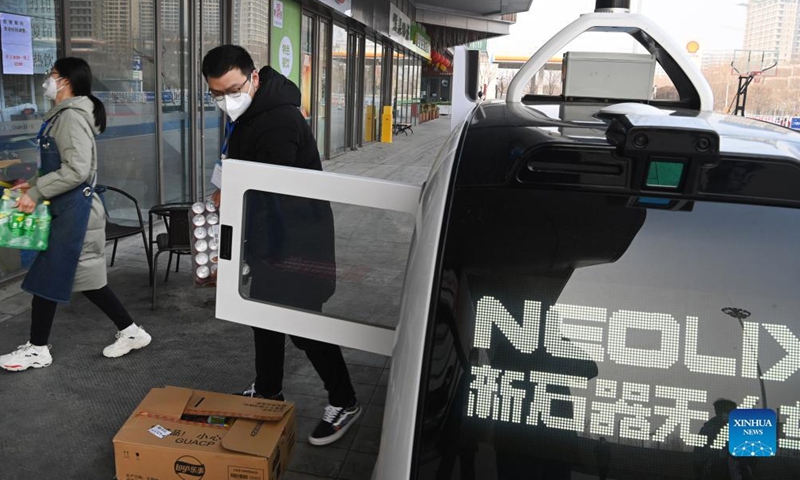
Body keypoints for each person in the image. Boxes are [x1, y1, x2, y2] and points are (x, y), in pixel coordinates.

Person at [201, 45, 360, 446]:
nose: (225, 100)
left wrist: (235, 224)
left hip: (296, 242)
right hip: (268, 238)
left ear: (254, 78)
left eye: (232, 89)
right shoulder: (249, 114)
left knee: (304, 325)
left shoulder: (278, 122)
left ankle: (345, 400)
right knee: (264, 319)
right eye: (216, 94)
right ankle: (268, 391)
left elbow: (275, 191)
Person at [0, 58, 151, 372]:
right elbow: (58, 168)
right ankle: (131, 331)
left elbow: (77, 170)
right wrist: (28, 185)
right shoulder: (63, 115)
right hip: (69, 210)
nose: (47, 80)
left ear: (64, 80)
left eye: (51, 75)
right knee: (74, 280)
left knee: (51, 278)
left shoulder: (69, 117)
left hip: (75, 212)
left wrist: (36, 192)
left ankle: (38, 349)